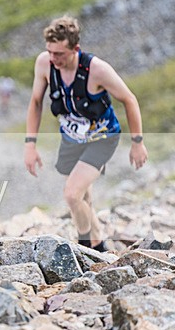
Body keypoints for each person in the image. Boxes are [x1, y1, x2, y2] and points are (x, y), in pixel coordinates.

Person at [24, 15, 147, 251]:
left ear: (75, 49)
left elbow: (129, 100)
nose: (53, 58)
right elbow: (36, 102)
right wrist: (30, 144)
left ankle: (86, 249)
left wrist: (137, 142)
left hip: (102, 138)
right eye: (49, 52)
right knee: (83, 196)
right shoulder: (44, 64)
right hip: (72, 139)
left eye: (59, 54)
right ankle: (99, 242)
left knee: (71, 194)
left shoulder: (97, 70)